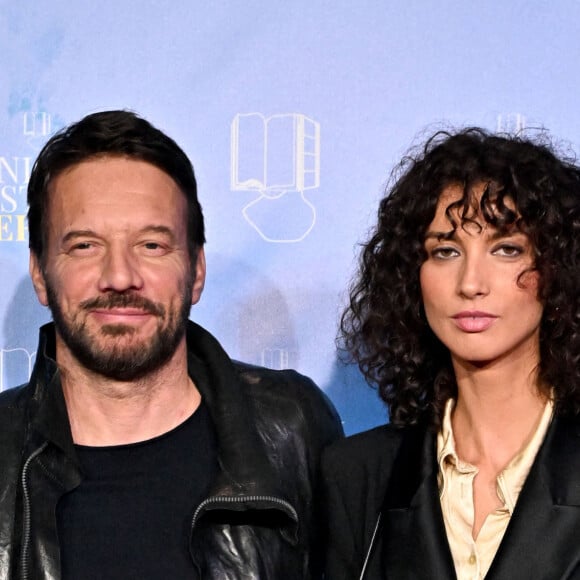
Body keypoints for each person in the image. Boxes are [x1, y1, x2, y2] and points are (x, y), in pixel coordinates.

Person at [0, 110, 343, 580]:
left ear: (197, 270)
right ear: (40, 272)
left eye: (152, 246)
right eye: (85, 246)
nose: (119, 276)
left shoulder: (293, 429)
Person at [322, 127, 580, 579]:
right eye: (444, 251)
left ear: (557, 266)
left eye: (506, 249)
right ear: (410, 276)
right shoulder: (360, 474)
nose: (470, 283)